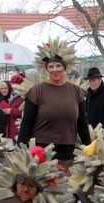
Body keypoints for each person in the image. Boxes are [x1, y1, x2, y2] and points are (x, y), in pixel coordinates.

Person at [17, 38, 91, 170]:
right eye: (51, 66)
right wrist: (20, 147)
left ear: (65, 68)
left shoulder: (75, 91)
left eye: (58, 66)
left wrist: (89, 148)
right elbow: (27, 122)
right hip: (41, 148)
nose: (55, 70)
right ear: (46, 69)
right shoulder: (37, 91)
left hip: (67, 149)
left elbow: (81, 123)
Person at [3, 74, 24, 139]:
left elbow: (25, 112)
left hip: (19, 131)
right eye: (11, 85)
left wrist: (11, 111)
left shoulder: (24, 96)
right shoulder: (13, 96)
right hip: (11, 130)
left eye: (13, 85)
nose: (12, 87)